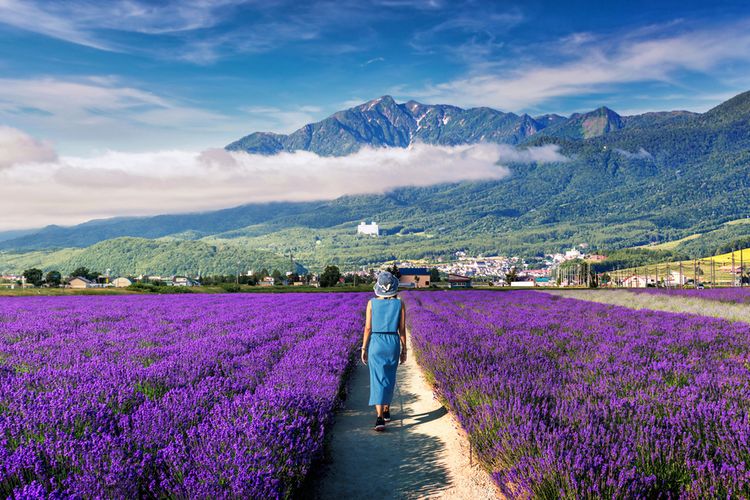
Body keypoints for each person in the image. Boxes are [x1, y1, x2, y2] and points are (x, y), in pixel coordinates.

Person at [361, 271, 407, 431]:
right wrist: (404, 350)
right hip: (392, 343)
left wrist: (364, 348)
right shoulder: (400, 304)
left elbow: (368, 328)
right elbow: (402, 329)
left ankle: (379, 417)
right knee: (389, 377)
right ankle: (387, 410)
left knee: (377, 379)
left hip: (376, 342)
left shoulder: (371, 303)